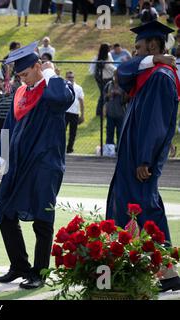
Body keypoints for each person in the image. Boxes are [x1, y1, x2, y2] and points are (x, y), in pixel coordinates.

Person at [0, 41, 75, 290]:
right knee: (3, 211)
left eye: (26, 74)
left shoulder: (57, 87)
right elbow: (9, 127)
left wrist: (50, 73)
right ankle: (19, 265)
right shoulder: (20, 92)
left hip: (44, 163)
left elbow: (60, 99)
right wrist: (0, 159)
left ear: (39, 66)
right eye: (19, 76)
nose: (23, 80)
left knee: (42, 218)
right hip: (17, 164)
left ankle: (39, 273)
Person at [106, 20, 180, 292]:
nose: (134, 52)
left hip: (140, 159)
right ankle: (159, 271)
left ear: (152, 43)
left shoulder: (161, 76)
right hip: (134, 156)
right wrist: (153, 58)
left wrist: (146, 159)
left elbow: (155, 121)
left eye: (139, 47)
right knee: (137, 209)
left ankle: (165, 271)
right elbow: (121, 73)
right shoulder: (151, 71)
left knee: (145, 211)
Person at [103, 70, 127, 155]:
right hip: (110, 113)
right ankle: (109, 152)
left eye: (117, 76)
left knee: (120, 133)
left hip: (121, 113)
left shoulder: (124, 85)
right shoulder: (109, 85)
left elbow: (128, 98)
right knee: (109, 133)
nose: (115, 77)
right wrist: (109, 95)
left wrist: (120, 94)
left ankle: (119, 152)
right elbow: (104, 97)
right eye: (114, 75)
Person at [91, 43, 116, 116]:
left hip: (105, 77)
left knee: (104, 95)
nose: (110, 49)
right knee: (104, 95)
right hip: (104, 78)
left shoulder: (106, 55)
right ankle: (100, 112)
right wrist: (116, 70)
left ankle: (104, 111)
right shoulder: (104, 56)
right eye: (109, 47)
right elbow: (109, 66)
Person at [65, 71, 85, 154]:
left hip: (75, 113)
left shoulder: (78, 88)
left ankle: (70, 149)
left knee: (73, 133)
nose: (71, 79)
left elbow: (81, 102)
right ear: (66, 78)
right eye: (69, 77)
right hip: (65, 112)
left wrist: (82, 115)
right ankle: (61, 148)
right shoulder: (64, 87)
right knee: (61, 131)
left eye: (72, 77)